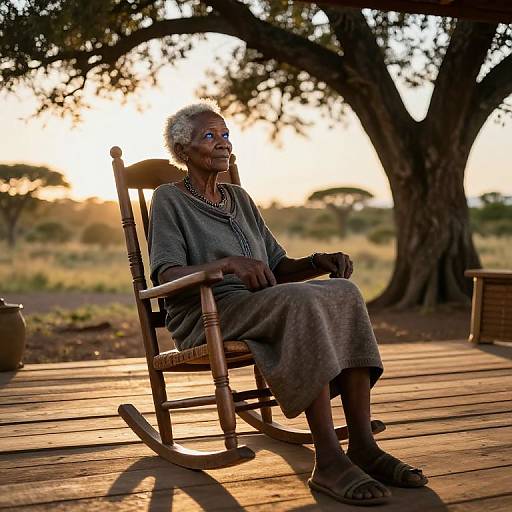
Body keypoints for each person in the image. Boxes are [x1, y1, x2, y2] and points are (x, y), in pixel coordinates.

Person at [148, 100, 428, 506]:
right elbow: (167, 274)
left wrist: (317, 261)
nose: (222, 143)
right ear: (184, 150)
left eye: (225, 134)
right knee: (297, 302)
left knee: (345, 292)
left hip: (264, 304)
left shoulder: (239, 198)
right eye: (209, 136)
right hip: (208, 312)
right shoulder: (169, 199)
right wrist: (228, 265)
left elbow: (277, 266)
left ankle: (363, 445)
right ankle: (328, 460)